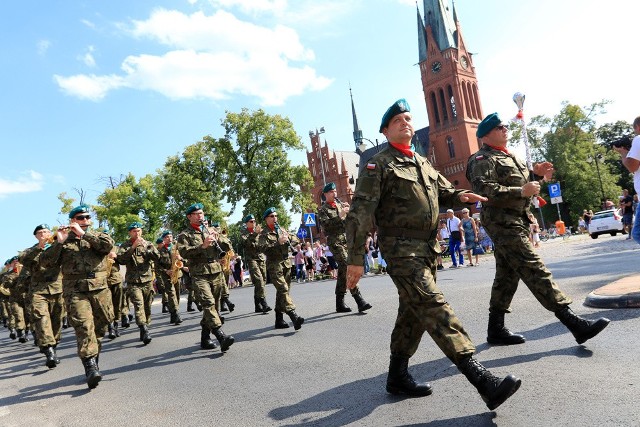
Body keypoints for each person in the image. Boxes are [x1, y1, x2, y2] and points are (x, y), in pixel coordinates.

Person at [345, 99, 520, 410]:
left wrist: (460, 194)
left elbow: (443, 190)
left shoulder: (421, 162)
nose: (405, 123)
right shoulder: (379, 164)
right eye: (397, 120)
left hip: (427, 248)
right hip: (400, 250)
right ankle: (482, 380)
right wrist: (355, 258)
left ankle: (397, 376)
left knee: (413, 313)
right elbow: (359, 212)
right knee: (434, 306)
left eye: (408, 118)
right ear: (385, 131)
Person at [466, 112, 610, 347]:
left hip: (518, 220)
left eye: (504, 126)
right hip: (502, 222)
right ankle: (574, 322)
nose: (505, 129)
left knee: (507, 276)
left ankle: (496, 329)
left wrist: (537, 175)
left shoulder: (510, 156)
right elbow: (485, 190)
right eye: (500, 127)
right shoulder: (482, 159)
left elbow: (522, 183)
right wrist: (520, 191)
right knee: (534, 267)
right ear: (487, 134)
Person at [40, 205, 115, 389]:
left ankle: (93, 359)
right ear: (73, 219)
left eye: (88, 217)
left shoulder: (97, 236)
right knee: (83, 326)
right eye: (81, 217)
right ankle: (90, 367)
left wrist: (84, 234)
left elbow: (107, 246)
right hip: (75, 290)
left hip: (100, 290)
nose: (86, 220)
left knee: (100, 328)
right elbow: (45, 262)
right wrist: (59, 242)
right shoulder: (62, 241)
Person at [177, 203, 235, 352]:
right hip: (199, 273)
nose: (200, 216)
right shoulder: (185, 235)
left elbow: (228, 247)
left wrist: (218, 237)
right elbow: (184, 253)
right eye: (196, 214)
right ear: (189, 217)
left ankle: (204, 338)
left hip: (215, 270)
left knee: (213, 307)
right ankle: (220, 336)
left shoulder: (211, 230)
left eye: (201, 213)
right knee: (208, 304)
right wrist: (202, 246)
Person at [317, 182, 372, 313]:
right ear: (325, 194)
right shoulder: (323, 210)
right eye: (331, 192)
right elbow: (326, 226)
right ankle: (359, 300)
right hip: (335, 241)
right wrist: (340, 215)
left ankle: (339, 302)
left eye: (335, 191)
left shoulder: (339, 205)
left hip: (347, 240)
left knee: (343, 271)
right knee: (347, 267)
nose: (334, 193)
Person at [19, 224, 64, 368]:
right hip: (38, 291)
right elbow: (23, 259)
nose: (44, 234)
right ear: (36, 236)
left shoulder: (57, 246)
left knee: (57, 321)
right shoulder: (31, 251)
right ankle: (49, 351)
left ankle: (53, 345)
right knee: (42, 319)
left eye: (46, 231)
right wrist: (40, 246)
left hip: (57, 288)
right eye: (40, 232)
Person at [258, 207, 305, 330]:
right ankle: (293, 315)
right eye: (272, 216)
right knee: (283, 288)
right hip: (274, 265)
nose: (275, 218)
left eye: (276, 216)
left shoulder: (281, 229)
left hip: (286, 264)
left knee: (283, 292)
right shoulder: (263, 234)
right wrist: (277, 243)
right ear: (266, 219)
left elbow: (296, 239)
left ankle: (279, 320)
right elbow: (263, 249)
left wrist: (288, 239)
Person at [116, 222, 160, 345]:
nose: (137, 233)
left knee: (147, 306)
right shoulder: (125, 245)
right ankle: (144, 329)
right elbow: (121, 260)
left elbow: (157, 258)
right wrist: (133, 247)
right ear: (130, 233)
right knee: (139, 305)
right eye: (134, 231)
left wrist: (148, 249)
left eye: (139, 230)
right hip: (133, 281)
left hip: (147, 280)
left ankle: (145, 325)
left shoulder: (148, 244)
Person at [613, 117, 640, 244]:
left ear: (638, 127)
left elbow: (632, 167)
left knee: (637, 233)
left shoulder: (639, 139)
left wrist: (624, 153)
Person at [239, 214, 272, 313]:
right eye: (251, 222)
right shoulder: (243, 233)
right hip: (251, 259)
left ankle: (257, 305)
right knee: (259, 280)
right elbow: (247, 244)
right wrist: (255, 234)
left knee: (262, 282)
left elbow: (263, 245)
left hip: (261, 258)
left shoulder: (260, 232)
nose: (253, 223)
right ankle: (264, 303)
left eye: (254, 221)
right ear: (246, 223)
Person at [156, 231, 183, 325]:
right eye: (167, 237)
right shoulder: (159, 250)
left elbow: (185, 257)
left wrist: (180, 258)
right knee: (171, 294)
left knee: (177, 294)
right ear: (163, 239)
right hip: (166, 275)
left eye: (171, 236)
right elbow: (157, 265)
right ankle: (176, 313)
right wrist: (166, 271)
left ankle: (173, 313)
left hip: (177, 273)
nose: (169, 238)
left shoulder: (177, 247)